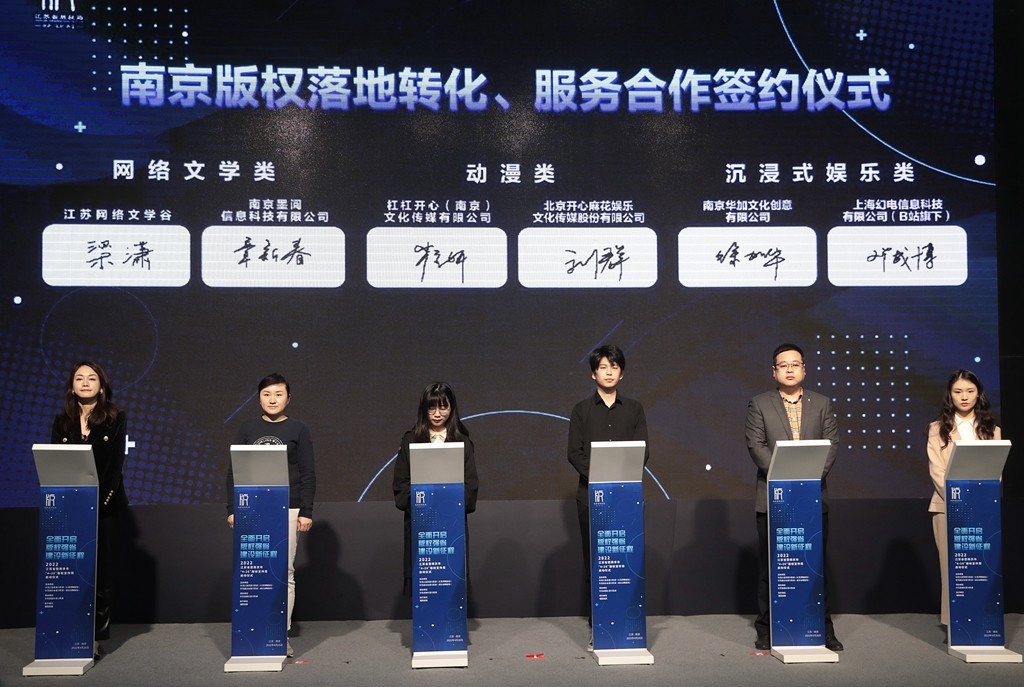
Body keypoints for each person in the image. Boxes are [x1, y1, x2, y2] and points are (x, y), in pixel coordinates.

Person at [745, 343, 842, 652]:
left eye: (795, 364)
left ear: (804, 369)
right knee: (771, 566)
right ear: (774, 371)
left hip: (813, 496)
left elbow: (831, 443)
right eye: (783, 365)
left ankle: (823, 627)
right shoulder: (760, 404)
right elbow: (756, 445)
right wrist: (784, 477)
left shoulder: (822, 403)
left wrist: (809, 478)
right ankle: (766, 628)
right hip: (772, 497)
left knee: (815, 566)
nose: (789, 369)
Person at [226, 373, 316, 658]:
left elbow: (308, 473)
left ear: (288, 398)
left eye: (278, 394)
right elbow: (234, 471)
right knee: (252, 571)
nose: (273, 399)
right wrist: (232, 508)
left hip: (288, 508)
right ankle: (252, 632)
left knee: (283, 571)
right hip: (252, 509)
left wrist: (306, 511)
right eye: (266, 394)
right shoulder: (248, 428)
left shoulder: (298, 429)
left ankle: (279, 635)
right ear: (258, 398)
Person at [567, 344, 649, 651]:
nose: (609, 372)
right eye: (603, 367)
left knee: (626, 560)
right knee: (596, 562)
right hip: (591, 496)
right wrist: (600, 476)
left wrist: (620, 478)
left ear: (622, 373)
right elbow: (574, 452)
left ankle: (629, 626)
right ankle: (598, 627)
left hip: (627, 497)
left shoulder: (635, 409)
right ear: (593, 374)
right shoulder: (581, 410)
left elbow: (643, 450)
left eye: (614, 367)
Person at [50, 360, 129, 654]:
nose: (85, 382)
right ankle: (68, 630)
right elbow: (56, 464)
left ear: (101, 386)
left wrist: (98, 503)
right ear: (72, 386)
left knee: (100, 572)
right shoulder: (62, 422)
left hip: (104, 506)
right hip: (70, 507)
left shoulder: (115, 418)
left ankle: (95, 638)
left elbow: (114, 466)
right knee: (71, 571)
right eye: (79, 378)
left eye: (92, 378)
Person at [927, 369, 1000, 628]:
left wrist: (981, 501)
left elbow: (996, 470)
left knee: (982, 568)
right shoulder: (937, 429)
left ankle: (983, 623)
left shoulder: (992, 430)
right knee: (952, 569)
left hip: (984, 509)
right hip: (947, 507)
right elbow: (936, 470)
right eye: (958, 391)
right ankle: (954, 625)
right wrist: (959, 501)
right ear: (950, 395)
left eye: (970, 391)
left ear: (979, 393)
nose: (964, 397)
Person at [392, 382, 479, 596]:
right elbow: (400, 488)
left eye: (443, 407)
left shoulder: (463, 442)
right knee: (423, 593)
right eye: (432, 408)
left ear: (452, 408)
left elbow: (471, 490)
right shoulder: (410, 440)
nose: (437, 414)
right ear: (424, 409)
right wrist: (424, 507)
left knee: (452, 592)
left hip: (453, 530)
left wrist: (446, 506)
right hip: (420, 528)